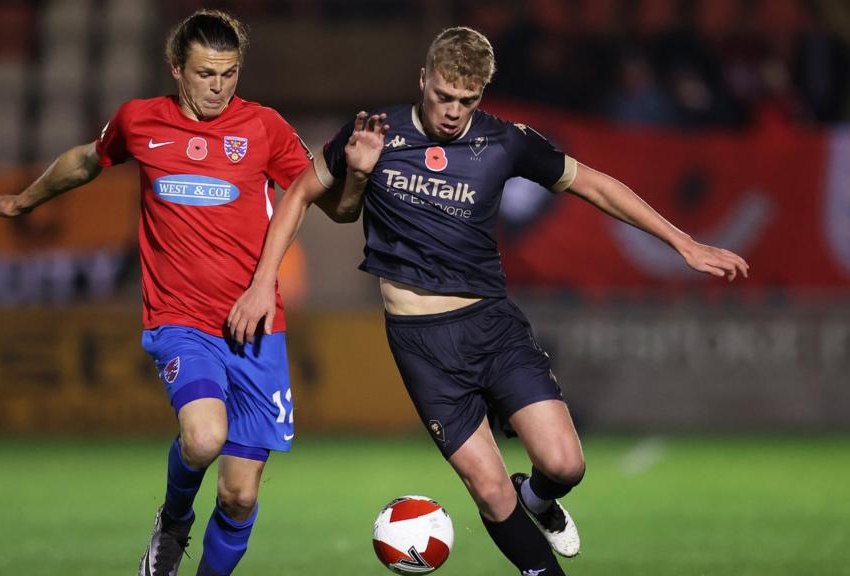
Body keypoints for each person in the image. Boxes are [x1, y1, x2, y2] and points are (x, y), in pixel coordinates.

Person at [228, 27, 749, 575]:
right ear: (423, 80)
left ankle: (542, 498)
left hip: (491, 325)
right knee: (491, 492)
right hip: (421, 344)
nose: (453, 111)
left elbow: (594, 184)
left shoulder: (505, 141)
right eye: (444, 96)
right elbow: (302, 196)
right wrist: (265, 281)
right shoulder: (375, 133)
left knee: (565, 464)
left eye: (467, 101)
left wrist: (683, 241)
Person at [0, 10, 347, 576]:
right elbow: (84, 161)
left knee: (239, 497)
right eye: (205, 73)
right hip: (181, 320)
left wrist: (361, 173)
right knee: (203, 440)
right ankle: (174, 521)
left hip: (257, 327)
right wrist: (24, 201)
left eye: (229, 74)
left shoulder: (265, 128)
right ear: (177, 68)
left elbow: (331, 204)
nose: (218, 87)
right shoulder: (139, 121)